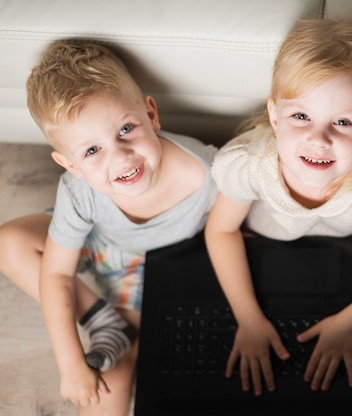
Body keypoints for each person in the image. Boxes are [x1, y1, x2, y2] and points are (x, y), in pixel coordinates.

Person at [204, 18, 352, 397]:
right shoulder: (248, 162)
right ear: (274, 115)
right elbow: (220, 230)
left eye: (343, 121)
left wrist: (351, 323)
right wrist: (248, 319)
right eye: (301, 116)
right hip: (269, 249)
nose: (320, 138)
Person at [0, 41, 218, 415]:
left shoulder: (209, 173)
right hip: (96, 238)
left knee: (112, 374)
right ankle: (101, 320)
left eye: (126, 129)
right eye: (91, 151)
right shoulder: (79, 189)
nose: (119, 156)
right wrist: (69, 363)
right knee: (8, 243)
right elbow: (55, 272)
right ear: (69, 164)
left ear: (151, 114)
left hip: (146, 269)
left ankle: (120, 333)